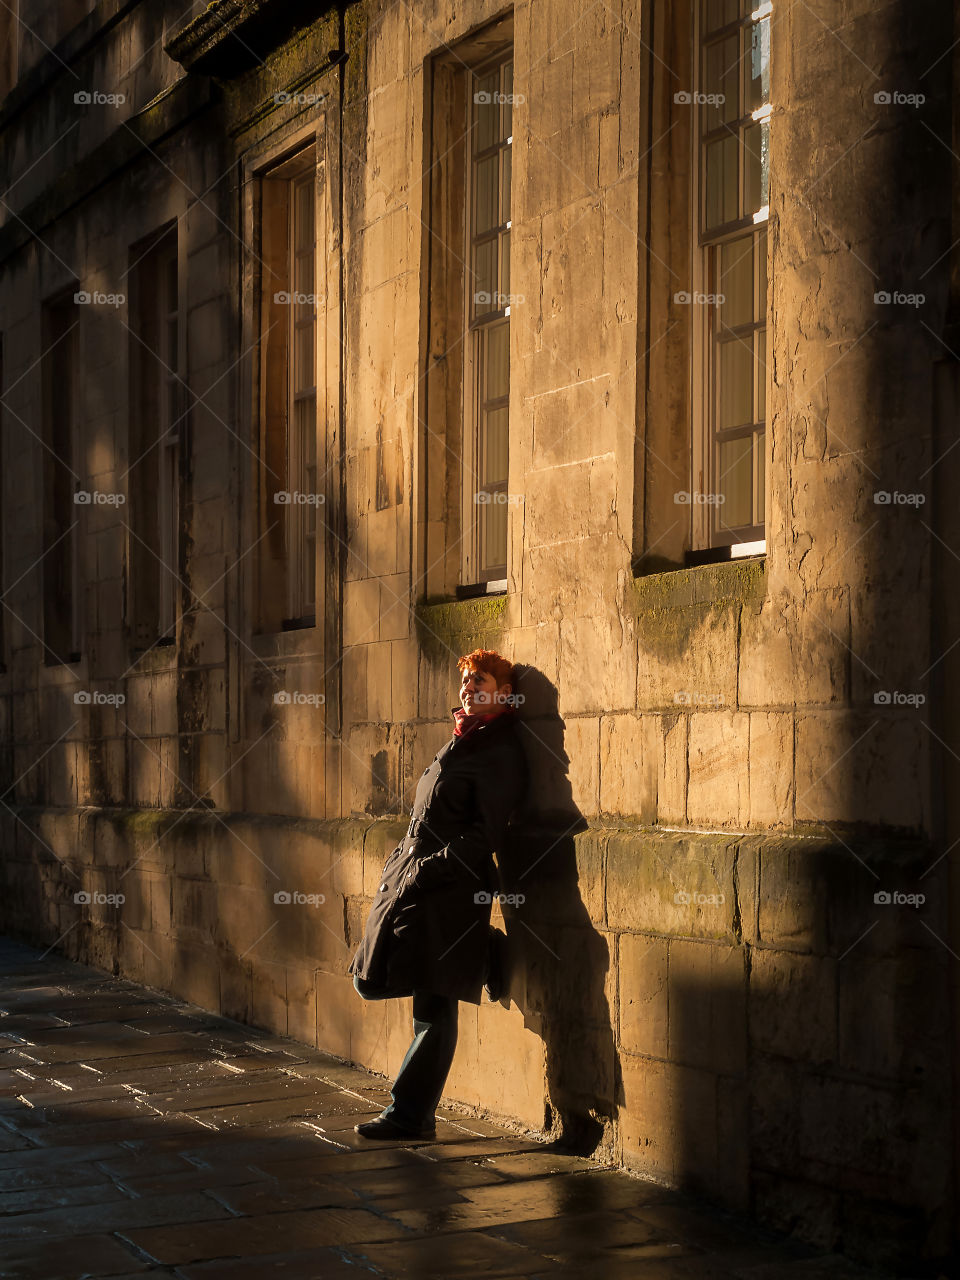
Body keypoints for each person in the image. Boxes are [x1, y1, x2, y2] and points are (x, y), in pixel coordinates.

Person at [348, 648, 528, 1140]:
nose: (469, 687)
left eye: (481, 680)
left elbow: (484, 835)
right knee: (381, 977)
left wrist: (427, 870)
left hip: (449, 888)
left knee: (435, 1001)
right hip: (417, 883)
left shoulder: (498, 749)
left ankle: (410, 1115)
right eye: (466, 680)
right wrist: (403, 869)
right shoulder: (463, 739)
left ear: (505, 693)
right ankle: (486, 952)